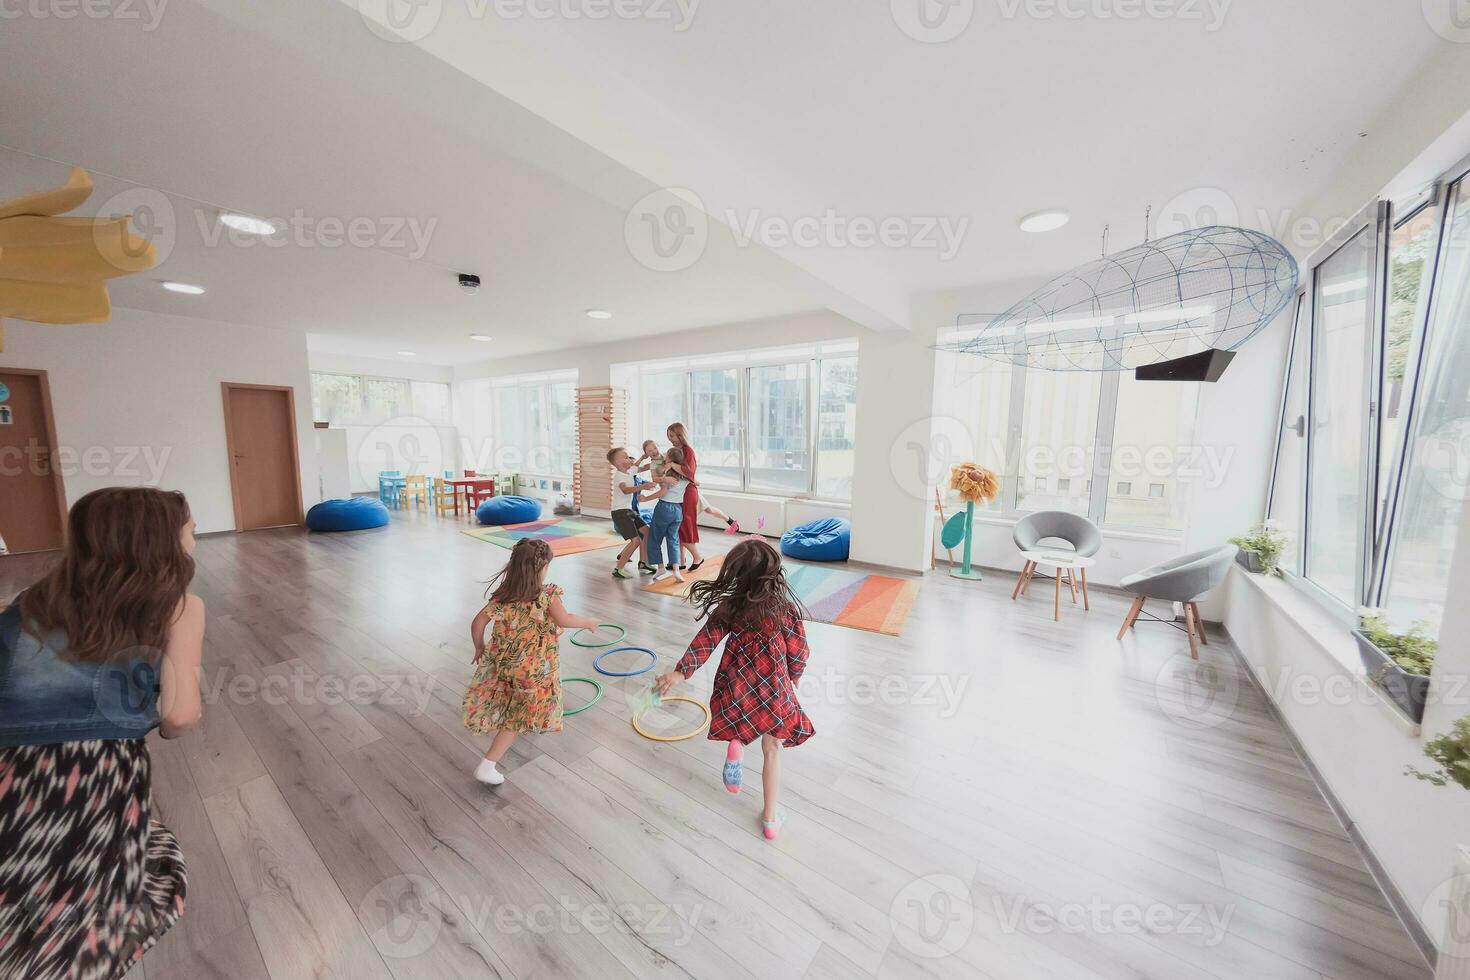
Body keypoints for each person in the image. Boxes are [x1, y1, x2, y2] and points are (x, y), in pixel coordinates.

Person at [0, 487, 202, 978]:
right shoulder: (179, 607)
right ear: (163, 542)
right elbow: (179, 716)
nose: (194, 536)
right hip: (97, 775)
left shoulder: (28, 603)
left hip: (10, 771)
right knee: (102, 907)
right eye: (190, 528)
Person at [654, 537, 812, 840]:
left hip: (737, 683)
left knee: (741, 720)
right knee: (772, 748)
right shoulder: (782, 608)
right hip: (773, 687)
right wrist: (796, 674)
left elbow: (706, 641)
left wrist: (680, 672)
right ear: (772, 573)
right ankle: (769, 820)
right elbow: (799, 648)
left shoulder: (730, 607)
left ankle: (736, 746)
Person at [463, 538, 599, 786]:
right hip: (533, 668)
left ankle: (525, 720)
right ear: (541, 568)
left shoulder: (503, 596)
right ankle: (488, 764)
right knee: (517, 716)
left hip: (506, 663)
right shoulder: (547, 595)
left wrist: (479, 646)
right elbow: (564, 619)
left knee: (515, 696)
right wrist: (588, 622)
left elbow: (477, 623)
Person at [639, 446, 691, 583]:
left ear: (670, 459)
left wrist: (645, 499)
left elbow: (662, 493)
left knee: (654, 538)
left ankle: (660, 566)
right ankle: (676, 570)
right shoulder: (685, 477)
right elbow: (695, 481)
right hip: (678, 510)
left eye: (667, 456)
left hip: (664, 508)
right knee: (673, 540)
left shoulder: (669, 476)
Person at [607, 447, 658, 578]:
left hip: (629, 510)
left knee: (646, 531)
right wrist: (643, 487)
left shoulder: (630, 471)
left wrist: (658, 460)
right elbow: (625, 490)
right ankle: (618, 569)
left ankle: (643, 562)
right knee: (635, 541)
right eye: (625, 457)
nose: (629, 458)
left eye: (629, 456)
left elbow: (644, 467)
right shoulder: (619, 476)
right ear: (618, 463)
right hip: (620, 513)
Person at [665, 422, 707, 571]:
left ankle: (697, 557)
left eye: (672, 436)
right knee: (677, 526)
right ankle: (680, 560)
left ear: (680, 435)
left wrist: (672, 465)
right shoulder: (676, 451)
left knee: (684, 525)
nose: (670, 439)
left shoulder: (688, 451)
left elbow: (689, 473)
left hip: (688, 493)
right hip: (679, 492)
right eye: (668, 436)